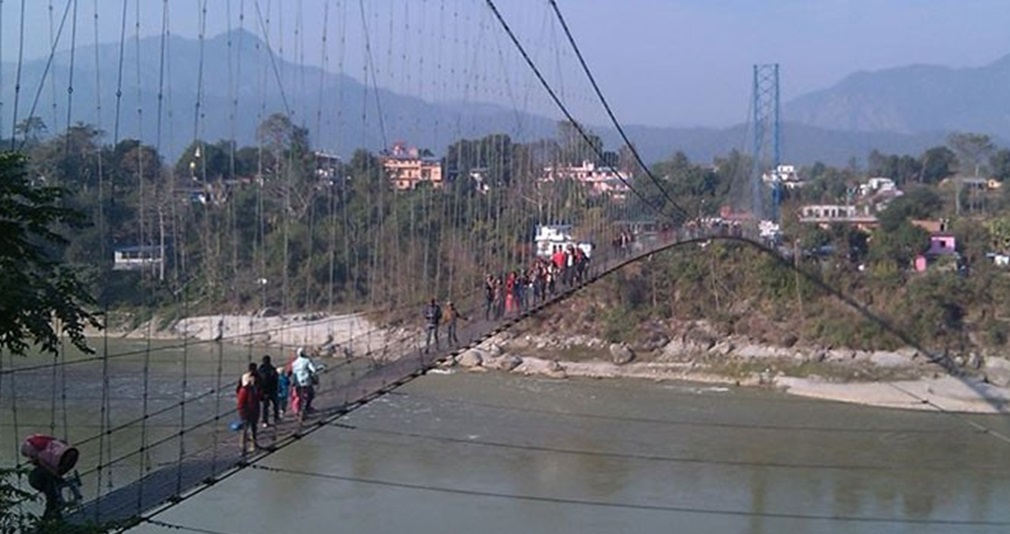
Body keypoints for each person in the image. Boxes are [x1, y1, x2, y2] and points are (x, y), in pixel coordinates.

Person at [236, 363, 262, 454]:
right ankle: (243, 448)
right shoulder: (245, 390)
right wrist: (242, 412)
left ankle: (254, 445)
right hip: (247, 411)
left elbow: (258, 396)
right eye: (252, 380)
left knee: (254, 427)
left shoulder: (254, 388)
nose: (254, 380)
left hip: (254, 409)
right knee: (245, 429)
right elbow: (240, 403)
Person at [290, 347, 319, 420]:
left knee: (299, 397)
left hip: (298, 383)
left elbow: (294, 373)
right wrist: (320, 367)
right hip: (306, 381)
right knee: (310, 394)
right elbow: (313, 370)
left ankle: (299, 411)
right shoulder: (307, 361)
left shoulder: (294, 363)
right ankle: (307, 408)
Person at [257, 355, 280, 427]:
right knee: (276, 404)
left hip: (264, 391)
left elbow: (258, 381)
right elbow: (276, 379)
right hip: (272, 390)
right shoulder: (272, 369)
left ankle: (265, 421)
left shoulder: (260, 370)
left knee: (265, 407)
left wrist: (259, 390)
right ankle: (276, 418)